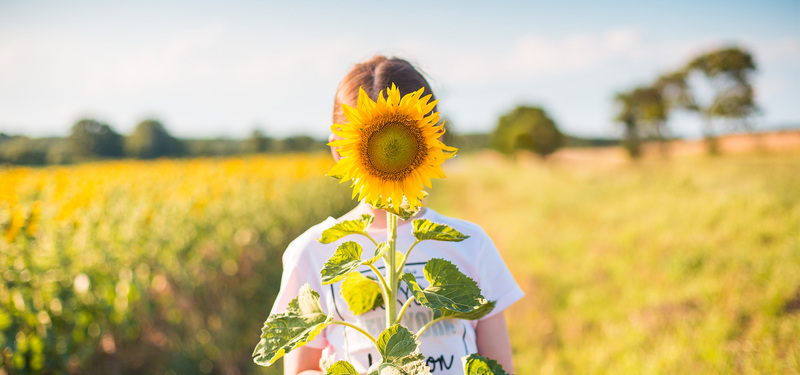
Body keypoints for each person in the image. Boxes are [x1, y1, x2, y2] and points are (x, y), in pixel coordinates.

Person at [270, 55, 525, 375]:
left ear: (433, 139)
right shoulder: (313, 252)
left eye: (403, 135)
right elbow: (301, 369)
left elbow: (498, 366)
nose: (389, 149)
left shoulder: (471, 244)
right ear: (339, 150)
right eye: (371, 140)